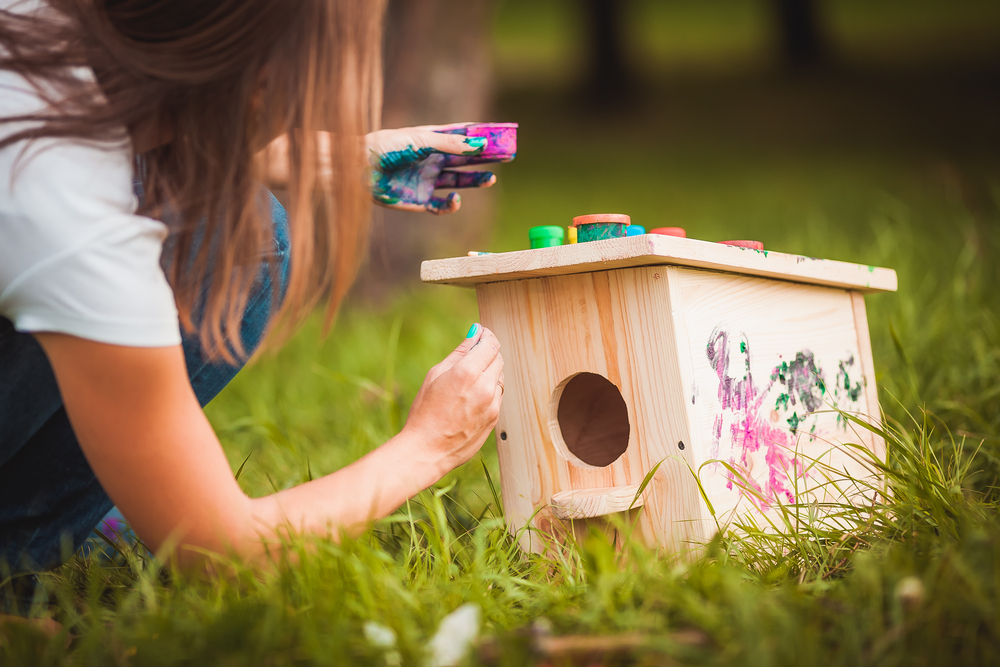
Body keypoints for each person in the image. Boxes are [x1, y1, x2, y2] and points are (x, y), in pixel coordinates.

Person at [0, 0, 505, 583]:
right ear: (264, 82)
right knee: (247, 244)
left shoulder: (43, 29)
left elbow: (157, 122)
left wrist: (346, 156)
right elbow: (224, 551)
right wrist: (430, 444)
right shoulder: (72, 221)